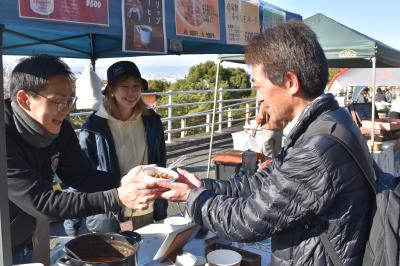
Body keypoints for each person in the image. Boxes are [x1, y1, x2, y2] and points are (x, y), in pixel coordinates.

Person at [155, 21, 373, 265]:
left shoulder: (317, 149)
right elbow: (264, 183)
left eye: (259, 86)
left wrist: (191, 198)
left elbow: (248, 221)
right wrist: (201, 185)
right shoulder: (328, 122)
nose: (258, 98)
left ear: (290, 82)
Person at [6, 55, 158, 263]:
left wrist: (124, 182)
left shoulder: (61, 126)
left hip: (27, 235)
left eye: (70, 101)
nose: (66, 110)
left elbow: (82, 175)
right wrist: (116, 197)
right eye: (59, 101)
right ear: (25, 100)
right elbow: (39, 200)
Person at [64, 61, 167, 235]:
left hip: (146, 206)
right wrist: (71, 223)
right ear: (111, 90)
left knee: (147, 259)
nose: (132, 92)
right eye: (124, 86)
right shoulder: (93, 127)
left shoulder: (152, 121)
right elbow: (80, 175)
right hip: (108, 213)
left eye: (136, 86)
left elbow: (160, 162)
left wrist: (162, 200)